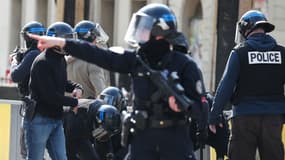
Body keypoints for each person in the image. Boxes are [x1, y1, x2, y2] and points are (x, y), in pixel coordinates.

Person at [29, 3, 208, 160]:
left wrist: (183, 106)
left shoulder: (184, 65)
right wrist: (62, 43)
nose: (140, 32)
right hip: (142, 142)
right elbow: (99, 55)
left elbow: (201, 107)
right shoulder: (138, 60)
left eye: (144, 27)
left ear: (159, 32)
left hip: (174, 142)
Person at [209, 10, 285, 160]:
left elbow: (226, 85)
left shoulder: (239, 52)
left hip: (244, 118)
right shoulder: (282, 53)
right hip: (273, 118)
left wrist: (214, 116)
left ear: (246, 29)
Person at [24, 22, 83, 160]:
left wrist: (77, 87)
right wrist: (74, 102)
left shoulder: (60, 59)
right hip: (39, 120)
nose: (68, 43)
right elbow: (50, 96)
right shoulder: (42, 62)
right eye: (65, 40)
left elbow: (62, 82)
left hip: (56, 119)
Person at [9, 21, 46, 159]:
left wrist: (14, 62)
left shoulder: (33, 54)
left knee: (28, 150)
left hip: (33, 107)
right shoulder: (40, 53)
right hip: (39, 106)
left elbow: (16, 76)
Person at [66, 20, 109, 99]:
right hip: (86, 108)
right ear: (90, 38)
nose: (96, 41)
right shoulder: (92, 62)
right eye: (95, 37)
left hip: (66, 107)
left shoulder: (65, 59)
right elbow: (101, 92)